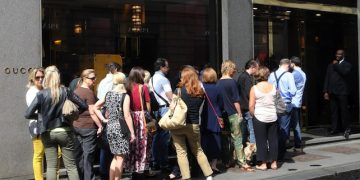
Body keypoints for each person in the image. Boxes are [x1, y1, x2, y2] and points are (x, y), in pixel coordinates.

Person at [25, 65, 88, 180]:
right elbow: (83, 106)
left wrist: (42, 116)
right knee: (71, 166)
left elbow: (28, 114)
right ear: (58, 77)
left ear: (46, 78)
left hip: (47, 132)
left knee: (51, 167)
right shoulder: (66, 91)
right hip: (65, 131)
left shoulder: (41, 94)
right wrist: (72, 116)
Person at [171, 67, 213, 180]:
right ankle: (208, 175)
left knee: (181, 152)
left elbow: (172, 108)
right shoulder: (200, 92)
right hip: (194, 124)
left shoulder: (178, 91)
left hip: (179, 125)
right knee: (198, 150)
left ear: (183, 77)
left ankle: (186, 177)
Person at [93, 73, 136, 180]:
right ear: (124, 81)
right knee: (120, 158)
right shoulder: (125, 96)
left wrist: (103, 119)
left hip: (110, 127)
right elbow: (127, 115)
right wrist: (132, 133)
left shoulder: (108, 94)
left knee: (116, 157)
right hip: (121, 128)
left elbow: (95, 107)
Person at [217, 60, 253, 171]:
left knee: (225, 139)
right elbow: (236, 100)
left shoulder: (217, 82)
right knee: (237, 138)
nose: (235, 71)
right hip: (232, 114)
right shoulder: (232, 82)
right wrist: (240, 113)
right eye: (234, 69)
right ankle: (242, 162)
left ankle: (227, 161)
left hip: (222, 115)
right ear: (229, 69)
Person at [73, 69, 103, 180]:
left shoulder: (76, 90)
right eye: (92, 78)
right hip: (88, 127)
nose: (95, 80)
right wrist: (100, 125)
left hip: (77, 126)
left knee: (80, 155)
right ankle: (89, 177)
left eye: (95, 77)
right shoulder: (88, 92)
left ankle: (81, 177)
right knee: (88, 156)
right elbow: (92, 111)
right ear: (84, 78)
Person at [96, 62, 125, 178]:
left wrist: (102, 118)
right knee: (116, 152)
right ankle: (106, 171)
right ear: (117, 70)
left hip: (104, 112)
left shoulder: (102, 81)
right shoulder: (115, 83)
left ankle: (104, 171)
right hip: (113, 114)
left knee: (106, 145)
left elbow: (98, 100)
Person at [249, 66, 278, 171]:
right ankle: (274, 163)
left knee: (261, 141)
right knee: (273, 140)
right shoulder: (274, 87)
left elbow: (251, 106)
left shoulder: (254, 88)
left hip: (260, 116)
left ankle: (264, 163)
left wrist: (254, 115)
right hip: (273, 116)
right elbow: (277, 102)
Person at [125, 67, 151, 178]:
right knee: (143, 143)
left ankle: (132, 168)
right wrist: (149, 114)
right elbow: (148, 105)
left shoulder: (127, 87)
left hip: (130, 117)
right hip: (141, 117)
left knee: (133, 144)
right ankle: (142, 167)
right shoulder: (143, 87)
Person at [268, 58, 297, 161]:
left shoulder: (272, 75)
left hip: (273, 104)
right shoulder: (289, 75)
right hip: (285, 104)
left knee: (274, 129)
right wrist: (285, 92)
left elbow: (269, 89)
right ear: (288, 66)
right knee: (284, 130)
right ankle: (280, 155)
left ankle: (272, 153)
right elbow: (293, 91)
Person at [323, 49, 352, 139]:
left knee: (344, 111)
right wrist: (325, 91)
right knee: (334, 111)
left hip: (342, 92)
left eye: (339, 54)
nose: (337, 55)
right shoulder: (330, 65)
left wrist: (336, 65)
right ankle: (334, 128)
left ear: (343, 55)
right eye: (336, 54)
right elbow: (327, 78)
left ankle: (346, 129)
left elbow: (344, 73)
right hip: (332, 91)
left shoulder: (347, 65)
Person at [150, 58, 173, 170]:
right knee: (164, 137)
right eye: (167, 66)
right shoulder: (164, 80)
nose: (168, 69)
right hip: (164, 109)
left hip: (155, 110)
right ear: (162, 67)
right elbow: (170, 96)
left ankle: (155, 161)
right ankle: (164, 162)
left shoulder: (151, 79)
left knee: (156, 136)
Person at [201, 67, 223, 173]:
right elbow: (221, 103)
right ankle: (213, 165)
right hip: (215, 116)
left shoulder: (200, 88)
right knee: (216, 140)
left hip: (203, 117)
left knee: (204, 141)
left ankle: (204, 165)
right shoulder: (218, 88)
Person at [26, 68, 45, 180]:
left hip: (47, 125)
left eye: (42, 76)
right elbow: (34, 111)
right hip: (37, 127)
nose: (40, 79)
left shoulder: (44, 89)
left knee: (56, 153)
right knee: (38, 154)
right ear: (32, 79)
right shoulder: (32, 92)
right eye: (37, 77)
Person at [237, 59, 259, 146]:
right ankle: (253, 150)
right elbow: (249, 93)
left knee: (244, 131)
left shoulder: (242, 76)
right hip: (247, 107)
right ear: (252, 67)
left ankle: (244, 150)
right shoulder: (246, 77)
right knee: (252, 130)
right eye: (257, 68)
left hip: (243, 106)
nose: (257, 70)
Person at [289, 56, 307, 149]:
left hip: (293, 102)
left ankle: (297, 142)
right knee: (295, 123)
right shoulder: (302, 73)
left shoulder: (295, 74)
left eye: (290, 63)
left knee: (294, 124)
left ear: (293, 64)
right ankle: (297, 142)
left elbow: (290, 87)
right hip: (297, 101)